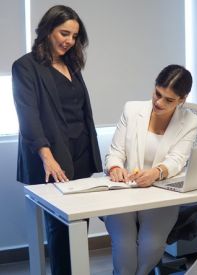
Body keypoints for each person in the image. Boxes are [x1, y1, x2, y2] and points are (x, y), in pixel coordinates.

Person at [12, 5, 102, 275]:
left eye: (74, 36)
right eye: (64, 33)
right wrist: (47, 158)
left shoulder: (72, 65)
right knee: (60, 230)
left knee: (79, 224)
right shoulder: (25, 67)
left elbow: (81, 111)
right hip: (52, 156)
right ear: (47, 30)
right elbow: (28, 116)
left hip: (81, 152)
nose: (69, 41)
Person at [104, 64, 197, 275]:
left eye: (169, 100)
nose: (159, 102)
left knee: (151, 247)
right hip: (125, 190)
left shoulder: (191, 121)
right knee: (125, 247)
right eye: (157, 93)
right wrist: (115, 167)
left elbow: (177, 159)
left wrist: (156, 172)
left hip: (160, 192)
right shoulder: (132, 110)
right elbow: (115, 152)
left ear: (182, 99)